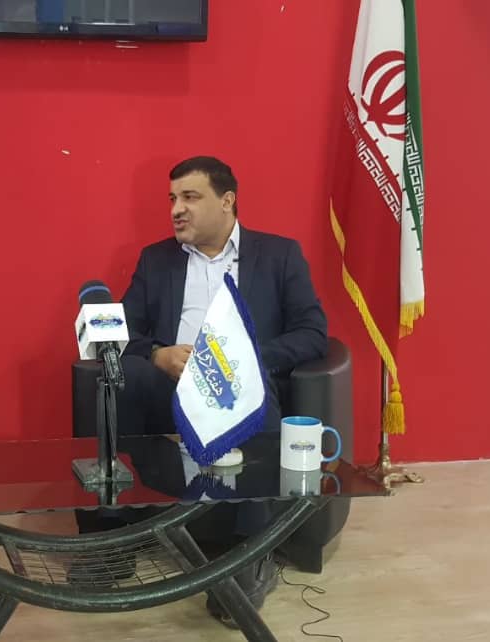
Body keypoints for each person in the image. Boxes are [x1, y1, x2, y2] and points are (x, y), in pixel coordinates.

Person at [77, 156, 327, 624]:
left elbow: (313, 332)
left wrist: (244, 358)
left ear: (227, 201)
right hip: (171, 383)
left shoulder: (279, 255)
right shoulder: (157, 260)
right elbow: (125, 330)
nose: (177, 209)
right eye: (173, 198)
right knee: (121, 378)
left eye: (190, 197)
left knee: (255, 388)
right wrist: (158, 355)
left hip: (240, 383)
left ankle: (250, 552)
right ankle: (112, 539)